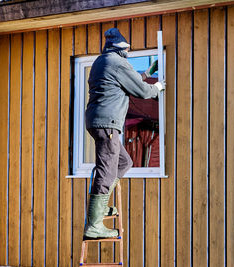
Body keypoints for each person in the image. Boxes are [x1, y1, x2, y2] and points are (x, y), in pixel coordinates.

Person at [83, 28, 165, 239]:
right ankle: (94, 225)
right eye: (127, 48)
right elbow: (142, 91)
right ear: (121, 47)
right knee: (106, 170)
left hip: (98, 121)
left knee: (123, 162)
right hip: (107, 123)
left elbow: (124, 81)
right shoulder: (117, 62)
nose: (129, 51)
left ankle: (100, 211)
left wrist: (145, 74)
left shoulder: (102, 62)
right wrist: (156, 87)